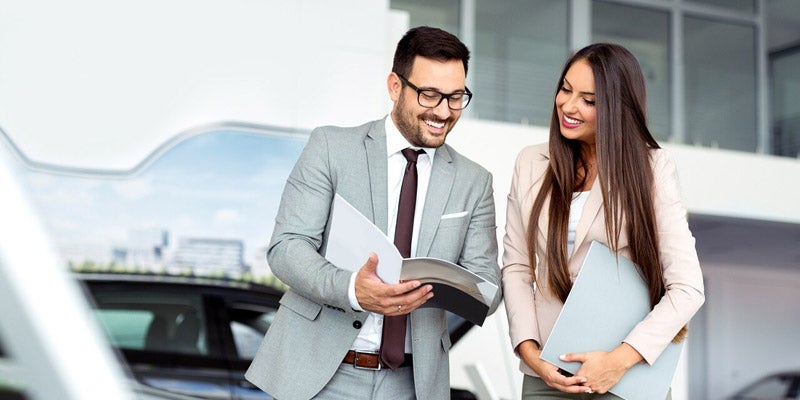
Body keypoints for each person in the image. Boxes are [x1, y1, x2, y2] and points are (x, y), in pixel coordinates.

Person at [245, 26, 502, 400]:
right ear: (395, 86)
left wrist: (447, 289)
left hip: (412, 384)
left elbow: (487, 291)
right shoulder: (331, 147)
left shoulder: (474, 181)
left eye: (456, 97)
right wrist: (353, 289)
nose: (444, 112)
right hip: (320, 375)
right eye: (430, 95)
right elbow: (287, 248)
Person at [501, 43, 705, 399]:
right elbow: (517, 267)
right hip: (546, 375)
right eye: (565, 89)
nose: (568, 105)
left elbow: (687, 289)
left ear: (617, 108)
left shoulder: (652, 169)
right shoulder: (531, 163)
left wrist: (618, 361)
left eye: (589, 100)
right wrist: (530, 353)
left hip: (624, 377)